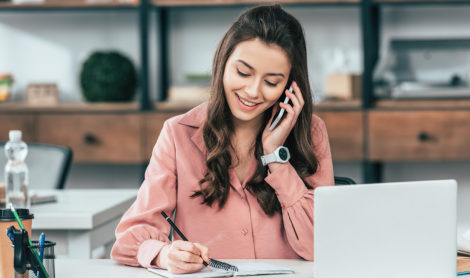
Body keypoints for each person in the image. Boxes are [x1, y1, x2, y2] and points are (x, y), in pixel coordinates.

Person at [111, 4, 334, 274]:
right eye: (243, 73)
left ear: (290, 86)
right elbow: (129, 237)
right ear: (223, 63)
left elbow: (319, 246)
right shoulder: (178, 133)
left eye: (272, 82)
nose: (253, 91)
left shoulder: (311, 132)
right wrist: (164, 254)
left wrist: (275, 155)